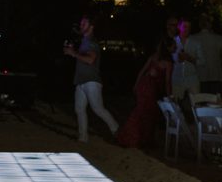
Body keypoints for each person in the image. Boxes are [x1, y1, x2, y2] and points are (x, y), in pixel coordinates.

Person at [64, 15, 118, 143]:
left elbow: (90, 59)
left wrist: (73, 53)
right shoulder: (84, 41)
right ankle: (83, 137)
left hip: (91, 81)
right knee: (79, 109)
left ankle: (116, 129)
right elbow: (82, 57)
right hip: (81, 80)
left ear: (91, 27)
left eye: (84, 24)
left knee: (97, 108)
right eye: (81, 23)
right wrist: (72, 52)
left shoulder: (92, 41)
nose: (81, 26)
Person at [116, 40, 173, 147]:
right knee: (147, 113)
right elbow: (167, 82)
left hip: (143, 85)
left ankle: (137, 138)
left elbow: (142, 72)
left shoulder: (153, 57)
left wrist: (136, 85)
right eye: (173, 46)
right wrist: (169, 96)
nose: (174, 49)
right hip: (150, 89)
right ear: (168, 48)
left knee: (142, 111)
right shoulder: (168, 63)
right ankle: (138, 139)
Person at [192, 15, 222, 96]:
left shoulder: (193, 38)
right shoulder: (218, 38)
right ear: (209, 25)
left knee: (201, 101)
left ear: (200, 25)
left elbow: (191, 56)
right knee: (215, 102)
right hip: (216, 76)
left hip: (199, 76)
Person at [172, 18, 200, 99]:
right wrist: (177, 58)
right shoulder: (172, 41)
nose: (187, 29)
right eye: (184, 26)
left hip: (192, 79)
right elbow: (168, 59)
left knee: (196, 104)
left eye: (189, 27)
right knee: (176, 106)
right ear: (179, 27)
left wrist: (190, 58)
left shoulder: (196, 42)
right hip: (176, 79)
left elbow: (202, 61)